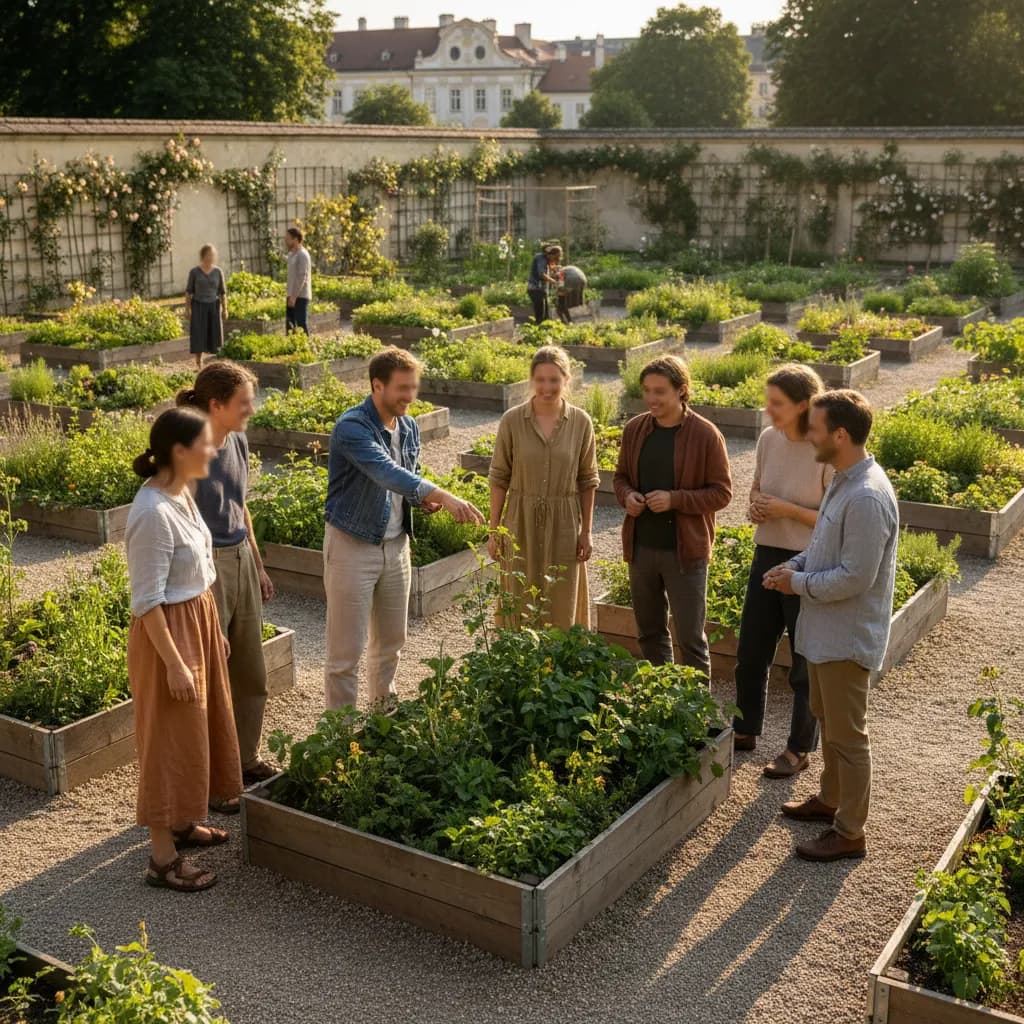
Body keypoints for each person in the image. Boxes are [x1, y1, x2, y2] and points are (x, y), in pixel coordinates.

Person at [763, 389, 898, 863]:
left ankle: (850, 833)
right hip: (824, 633)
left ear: (839, 435)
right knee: (829, 720)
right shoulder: (844, 478)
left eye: (816, 429)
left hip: (845, 637)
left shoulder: (865, 496)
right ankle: (831, 800)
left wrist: (797, 583)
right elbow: (824, 547)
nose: (808, 434)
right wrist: (793, 566)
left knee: (848, 737)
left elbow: (855, 577)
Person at [324, 346, 485, 710]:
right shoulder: (352, 426)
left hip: (396, 545)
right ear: (377, 385)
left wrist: (420, 500)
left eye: (413, 387)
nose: (410, 397)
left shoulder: (409, 426)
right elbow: (385, 470)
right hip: (352, 544)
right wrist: (443, 495)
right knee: (345, 652)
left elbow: (405, 481)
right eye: (402, 388)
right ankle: (340, 732)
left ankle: (383, 712)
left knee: (392, 641)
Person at [125, 407, 242, 893]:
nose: (214, 452)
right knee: (169, 739)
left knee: (198, 729)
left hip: (196, 620)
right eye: (205, 445)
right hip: (167, 634)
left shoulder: (183, 495)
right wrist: (175, 663)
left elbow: (200, 570)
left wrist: (212, 633)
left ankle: (181, 822)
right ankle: (161, 858)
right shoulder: (151, 513)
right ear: (178, 451)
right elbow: (147, 599)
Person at [177, 361, 277, 793]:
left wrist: (257, 562)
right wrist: (200, 585)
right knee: (212, 677)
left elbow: (241, 506)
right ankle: (215, 781)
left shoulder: (237, 439)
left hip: (238, 556)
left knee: (250, 670)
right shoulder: (188, 449)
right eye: (243, 402)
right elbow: (177, 522)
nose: (250, 410)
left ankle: (245, 759)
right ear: (216, 405)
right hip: (204, 565)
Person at [733, 365, 834, 779]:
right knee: (750, 650)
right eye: (767, 400)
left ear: (803, 405)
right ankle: (745, 727)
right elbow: (756, 487)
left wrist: (785, 510)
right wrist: (756, 504)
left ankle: (798, 748)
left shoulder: (824, 449)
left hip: (809, 562)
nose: (768, 409)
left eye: (776, 403)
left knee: (803, 662)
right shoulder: (768, 439)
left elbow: (833, 520)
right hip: (767, 553)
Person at [613, 355, 732, 678]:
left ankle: (696, 717)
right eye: (647, 391)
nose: (651, 399)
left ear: (681, 391)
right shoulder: (636, 429)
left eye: (660, 392)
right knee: (649, 634)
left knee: (691, 639)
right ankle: (662, 706)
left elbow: (722, 493)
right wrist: (628, 497)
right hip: (642, 549)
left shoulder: (706, 435)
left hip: (685, 553)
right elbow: (620, 477)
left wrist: (675, 499)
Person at [487, 346, 599, 629]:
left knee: (561, 593)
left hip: (564, 522)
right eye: (540, 379)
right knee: (518, 590)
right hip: (519, 520)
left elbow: (588, 480)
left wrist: (586, 532)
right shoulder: (512, 421)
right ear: (531, 380)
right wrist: (494, 530)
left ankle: (561, 662)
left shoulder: (581, 423)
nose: (546, 387)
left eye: (554, 380)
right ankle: (515, 662)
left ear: (566, 379)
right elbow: (499, 477)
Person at [184, 245, 227, 370]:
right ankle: (198, 362)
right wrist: (187, 309)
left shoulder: (218, 272)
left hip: (213, 305)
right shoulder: (194, 272)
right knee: (199, 333)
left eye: (213, 255)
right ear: (203, 256)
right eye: (209, 255)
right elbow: (188, 292)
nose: (211, 257)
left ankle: (217, 362)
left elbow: (222, 292)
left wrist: (225, 309)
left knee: (215, 333)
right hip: (198, 305)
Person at [285, 227, 312, 335]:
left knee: (301, 324)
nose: (285, 241)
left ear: (295, 239)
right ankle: (292, 349)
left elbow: (302, 277)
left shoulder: (303, 255)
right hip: (291, 295)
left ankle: (307, 348)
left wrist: (294, 297)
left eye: (288, 239)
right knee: (290, 326)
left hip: (300, 296)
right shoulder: (291, 254)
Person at [526, 244, 561, 324]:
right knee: (540, 316)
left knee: (546, 315)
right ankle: (537, 333)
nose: (555, 260)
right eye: (555, 257)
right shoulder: (540, 258)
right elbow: (541, 274)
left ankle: (543, 332)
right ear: (549, 254)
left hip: (541, 290)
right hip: (535, 289)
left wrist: (556, 270)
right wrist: (554, 282)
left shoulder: (546, 260)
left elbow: (550, 270)